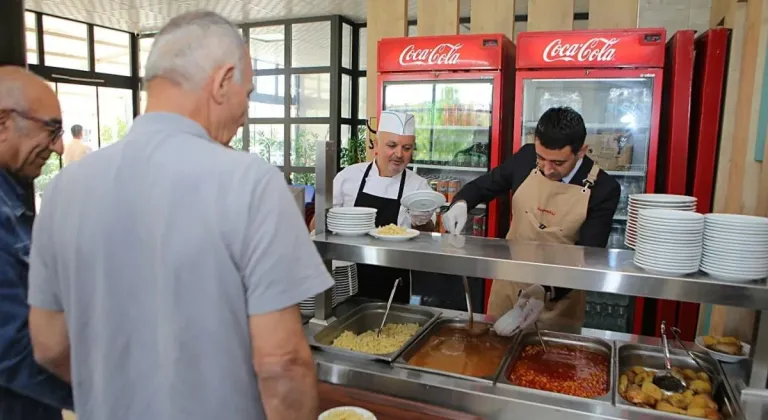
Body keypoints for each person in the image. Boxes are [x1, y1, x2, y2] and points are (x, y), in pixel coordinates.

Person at [26, 11, 332, 420]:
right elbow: (282, 364)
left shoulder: (64, 189)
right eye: (249, 92)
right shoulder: (249, 182)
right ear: (223, 82)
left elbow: (49, 345)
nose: (245, 113)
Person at [442, 107, 620, 335]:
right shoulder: (526, 157)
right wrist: (461, 203)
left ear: (581, 151)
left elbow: (588, 256)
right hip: (509, 285)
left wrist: (546, 290)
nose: (546, 169)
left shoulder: (604, 188)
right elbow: (484, 185)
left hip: (558, 299)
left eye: (557, 162)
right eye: (541, 158)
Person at [0, 66, 73, 419]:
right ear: (3, 123)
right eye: (51, 129)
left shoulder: (11, 201)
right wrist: (104, 390)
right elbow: (11, 346)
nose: (58, 146)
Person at [317, 110, 436, 303]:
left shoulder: (419, 186)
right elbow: (319, 225)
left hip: (393, 281)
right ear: (376, 144)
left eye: (406, 148)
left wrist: (422, 221)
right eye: (392, 145)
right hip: (345, 276)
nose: (399, 154)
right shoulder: (348, 177)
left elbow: (429, 236)